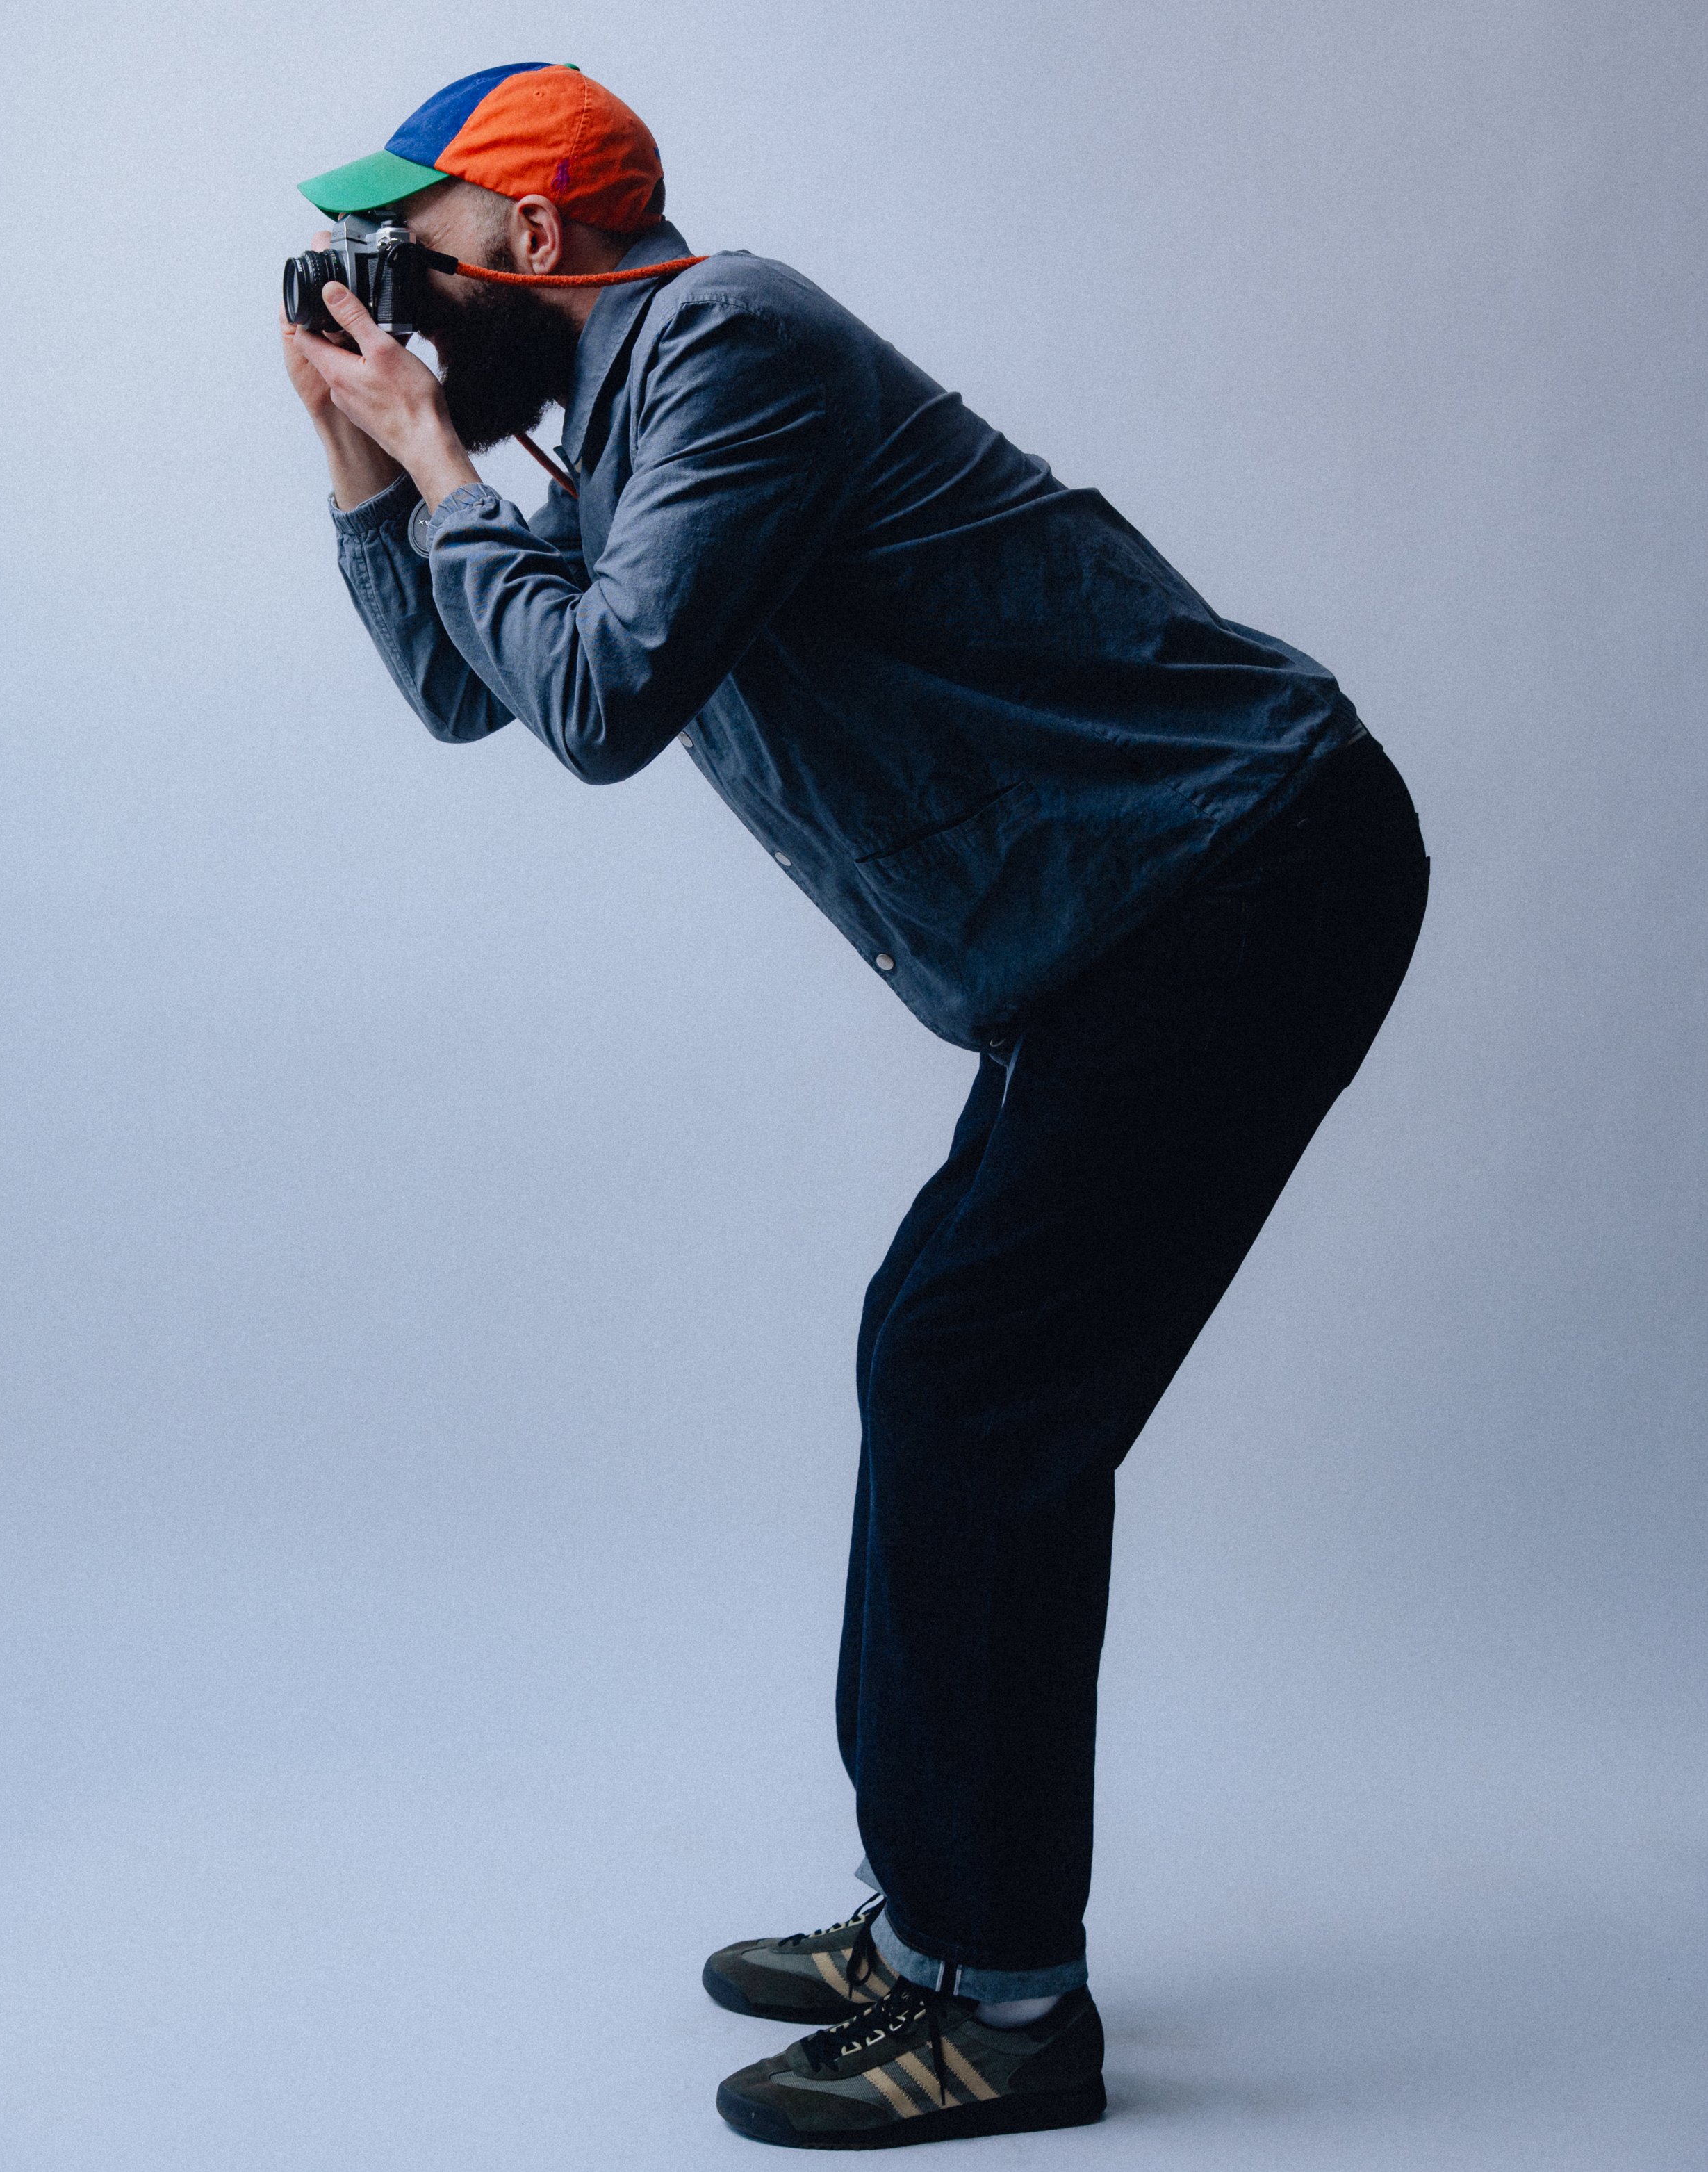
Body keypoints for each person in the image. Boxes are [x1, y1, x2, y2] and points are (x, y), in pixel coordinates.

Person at [284, 62, 1429, 2152]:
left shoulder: (731, 343)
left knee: (980, 1390)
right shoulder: (622, 414)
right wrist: (369, 467)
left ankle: (1006, 2001)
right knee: (938, 1356)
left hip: (1240, 876)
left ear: (527, 240)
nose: (387, 283)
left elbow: (603, 700)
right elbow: (476, 683)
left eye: (409, 243)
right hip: (1136, 921)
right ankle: (935, 1927)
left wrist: (436, 454)